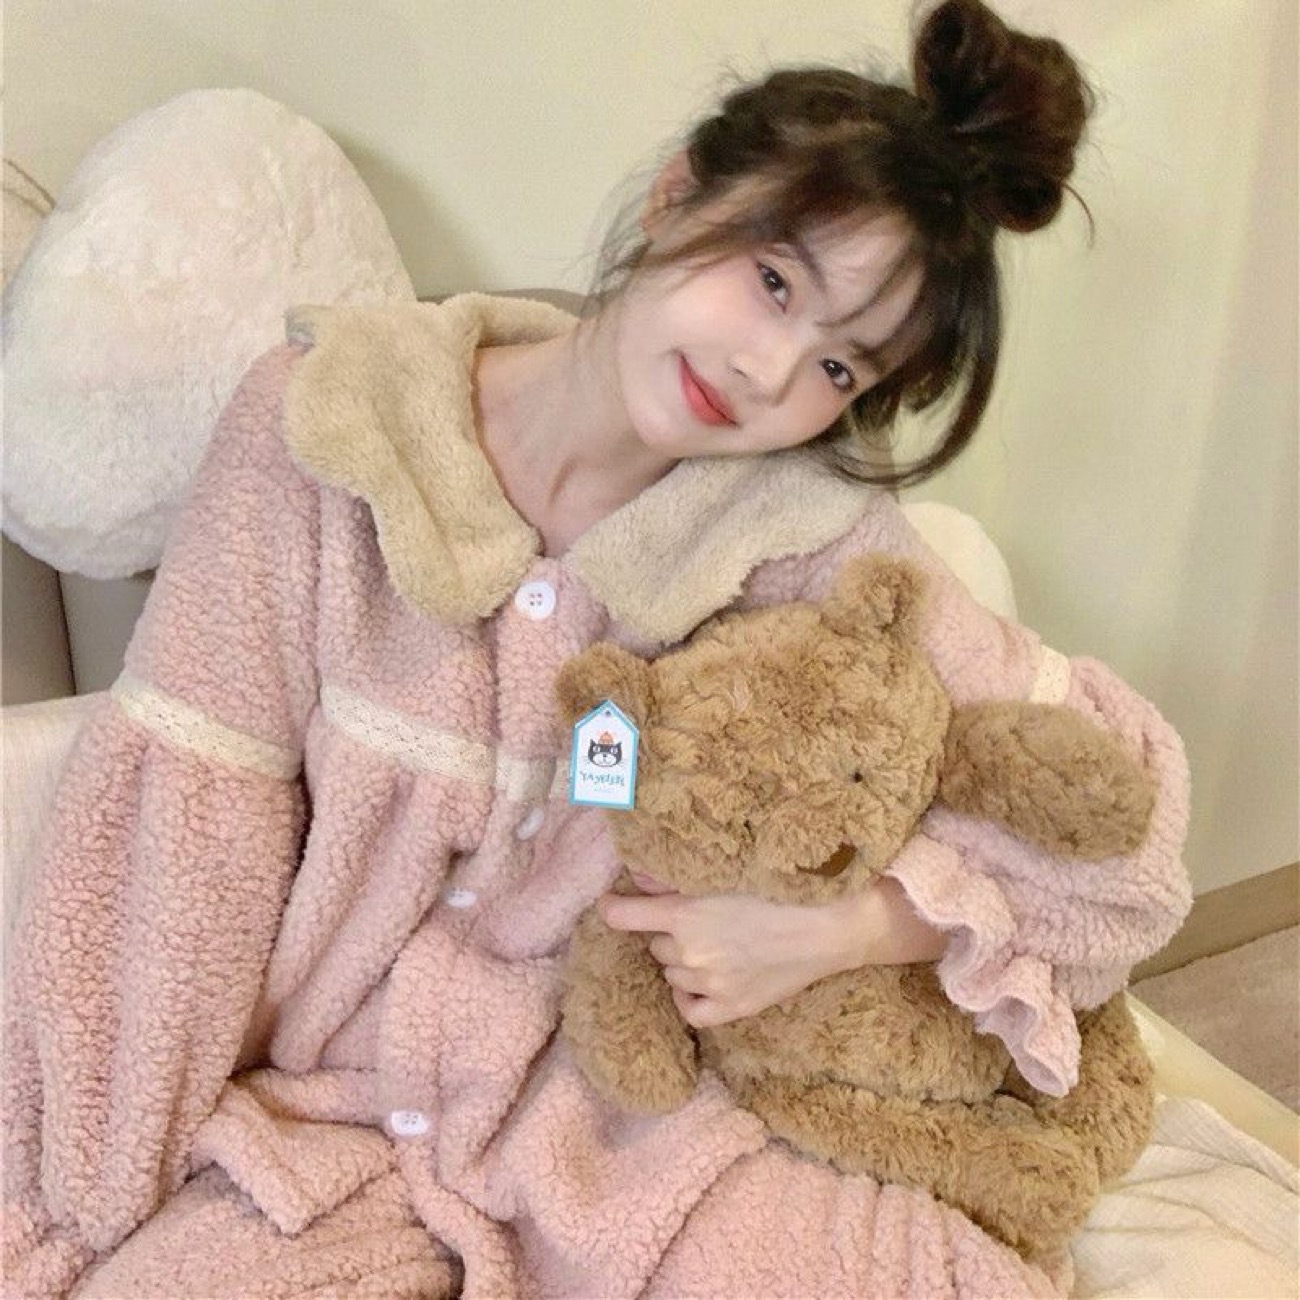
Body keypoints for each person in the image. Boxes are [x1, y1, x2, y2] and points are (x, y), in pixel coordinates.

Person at [3, 1, 1191, 1296]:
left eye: (840, 369)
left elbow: (1122, 842)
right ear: (680, 198)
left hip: (624, 1129)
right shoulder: (326, 431)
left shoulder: (803, 539)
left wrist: (853, 928)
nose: (769, 370)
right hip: (314, 1134)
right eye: (775, 282)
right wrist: (80, 1211)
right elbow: (175, 851)